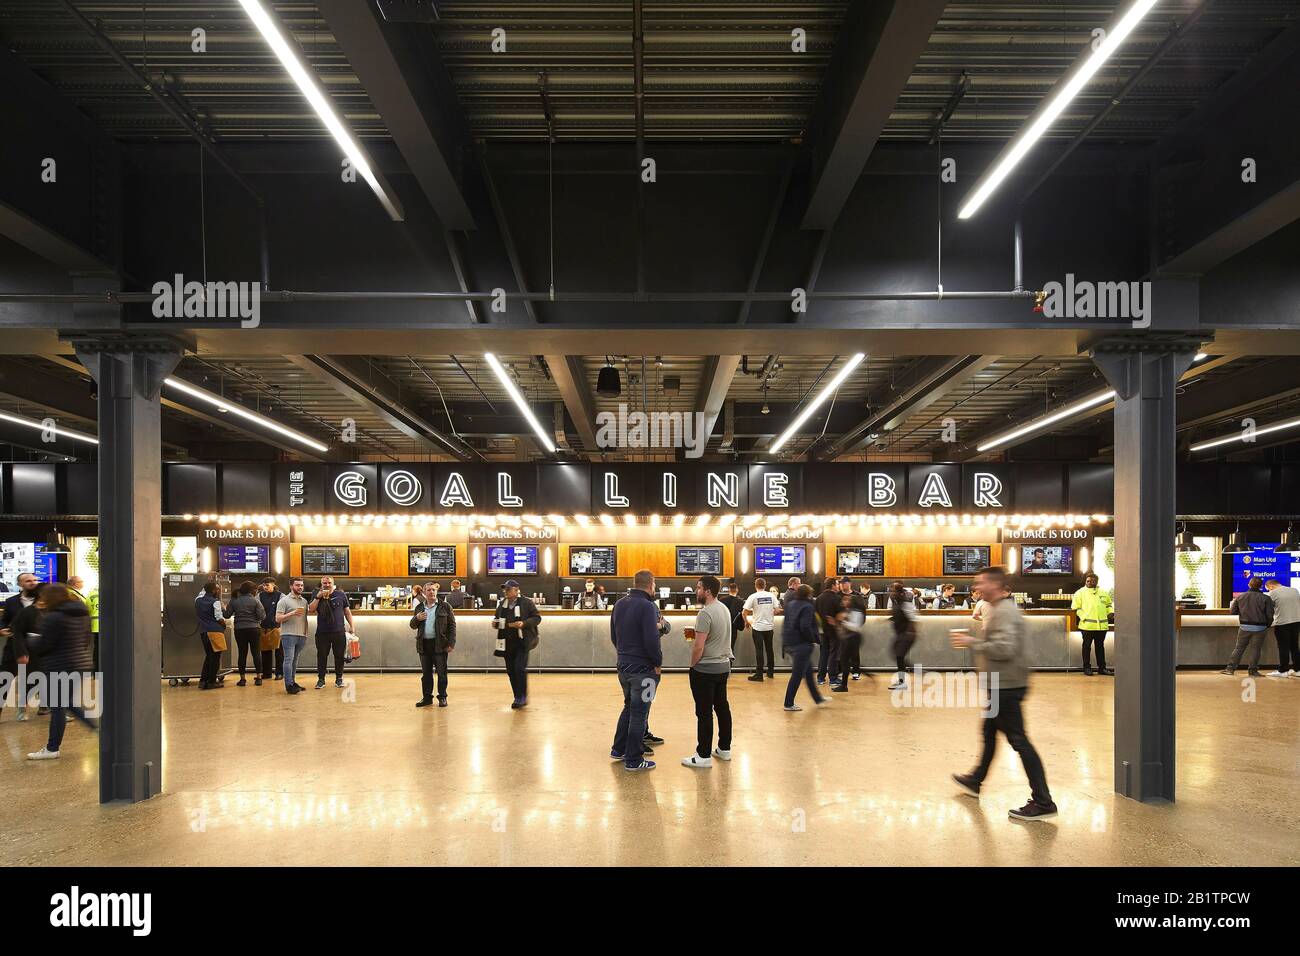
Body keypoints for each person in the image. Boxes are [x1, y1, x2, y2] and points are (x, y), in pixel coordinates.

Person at [951, 566, 1057, 821]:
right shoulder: (998, 609)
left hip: (1007, 686)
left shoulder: (1005, 612)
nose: (977, 587)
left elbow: (1004, 649)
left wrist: (972, 642)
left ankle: (1043, 801)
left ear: (996, 585)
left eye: (981, 583)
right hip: (1001, 684)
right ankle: (976, 779)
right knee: (989, 732)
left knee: (1019, 741)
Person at [25, 584, 97, 761]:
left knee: (57, 707)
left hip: (60, 666)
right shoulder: (82, 613)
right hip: (80, 664)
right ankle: (96, 728)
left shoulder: (53, 617)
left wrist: (32, 640)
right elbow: (86, 638)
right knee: (66, 703)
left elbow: (45, 645)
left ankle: (52, 748)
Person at [610, 568, 661, 771]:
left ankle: (619, 749)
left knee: (629, 706)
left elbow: (614, 635)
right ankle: (634, 759)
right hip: (644, 670)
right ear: (650, 584)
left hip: (623, 666)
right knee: (641, 712)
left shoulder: (619, 604)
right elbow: (651, 639)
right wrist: (657, 663)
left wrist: (624, 654)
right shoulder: (648, 606)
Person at [682, 575, 733, 768]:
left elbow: (698, 646)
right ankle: (724, 749)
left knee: (704, 712)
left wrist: (692, 665)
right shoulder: (724, 609)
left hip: (705, 669)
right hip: (723, 666)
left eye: (698, 588)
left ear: (708, 591)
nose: (697, 591)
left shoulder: (705, 613)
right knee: (722, 707)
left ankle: (703, 755)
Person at [781, 584, 829, 711]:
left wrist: (785, 643)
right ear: (808, 595)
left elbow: (786, 624)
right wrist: (815, 639)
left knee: (808, 673)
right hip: (802, 645)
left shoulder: (790, 605)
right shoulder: (807, 607)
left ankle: (818, 699)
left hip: (791, 643)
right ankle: (788, 703)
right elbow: (805, 626)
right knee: (797, 675)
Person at [493, 580, 540, 708]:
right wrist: (495, 623)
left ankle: (522, 696)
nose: (506, 592)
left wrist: (523, 624)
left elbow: (537, 618)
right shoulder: (502, 604)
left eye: (508, 589)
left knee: (519, 669)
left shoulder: (526, 602)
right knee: (511, 671)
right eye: (505, 589)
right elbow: (497, 618)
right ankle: (517, 696)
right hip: (506, 642)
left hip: (522, 642)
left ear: (516, 590)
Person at [1, 583, 45, 720]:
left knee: (42, 680)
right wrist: (21, 652)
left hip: (42, 652)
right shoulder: (27, 612)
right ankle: (20, 707)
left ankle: (53, 709)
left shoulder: (52, 611)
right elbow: (17, 632)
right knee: (9, 680)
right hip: (22, 651)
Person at [411, 581, 456, 707]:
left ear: (436, 591)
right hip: (423, 645)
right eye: (429, 590)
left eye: (433, 590)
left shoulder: (445, 606)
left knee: (442, 673)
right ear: (424, 593)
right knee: (426, 674)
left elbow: (452, 626)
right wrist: (417, 618)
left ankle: (442, 697)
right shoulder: (419, 608)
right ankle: (427, 698)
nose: (431, 592)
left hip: (440, 644)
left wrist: (451, 643)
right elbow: (412, 625)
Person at [1221, 577, 1274, 677]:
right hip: (1260, 628)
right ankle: (1253, 671)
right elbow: (1270, 615)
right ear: (1261, 586)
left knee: (1239, 648)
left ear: (1249, 585)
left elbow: (1233, 612)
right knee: (1256, 649)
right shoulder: (1266, 598)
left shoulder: (1240, 597)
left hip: (1244, 627)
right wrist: (1267, 625)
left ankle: (1230, 669)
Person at [308, 576, 353, 689]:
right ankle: (321, 680)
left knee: (339, 656)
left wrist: (352, 626)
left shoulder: (340, 594)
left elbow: (347, 612)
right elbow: (311, 609)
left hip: (339, 631)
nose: (327, 585)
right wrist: (318, 597)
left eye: (329, 583)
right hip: (322, 632)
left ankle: (339, 679)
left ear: (333, 584)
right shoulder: (316, 593)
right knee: (322, 656)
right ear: (321, 584)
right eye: (325, 583)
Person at [1072, 573, 1113, 676]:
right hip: (1087, 626)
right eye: (1088, 581)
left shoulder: (1103, 592)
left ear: (1097, 582)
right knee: (1086, 647)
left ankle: (1102, 668)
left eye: (1092, 581)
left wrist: (1110, 612)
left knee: (1100, 647)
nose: (1090, 583)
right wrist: (1084, 617)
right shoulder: (1079, 593)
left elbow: (1108, 605)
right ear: (1085, 581)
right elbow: (1076, 608)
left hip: (1101, 626)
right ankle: (1087, 668)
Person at [275, 577, 310, 694]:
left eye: (301, 585)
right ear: (291, 586)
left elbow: (305, 618)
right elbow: (278, 618)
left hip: (301, 635)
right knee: (288, 660)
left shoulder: (304, 601)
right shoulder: (284, 601)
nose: (300, 587)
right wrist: (292, 613)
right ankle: (288, 685)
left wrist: (306, 633)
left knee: (294, 660)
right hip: (288, 634)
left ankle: (293, 682)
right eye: (297, 585)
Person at [229, 581, 265, 686]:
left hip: (240, 629)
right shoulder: (256, 601)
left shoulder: (234, 600)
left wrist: (221, 607)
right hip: (254, 629)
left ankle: (242, 679)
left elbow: (227, 615)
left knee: (242, 653)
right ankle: (259, 678)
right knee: (256, 653)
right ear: (252, 590)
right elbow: (262, 616)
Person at [744, 577, 778, 681]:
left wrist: (747, 622)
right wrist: (769, 614)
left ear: (755, 586)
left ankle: (759, 674)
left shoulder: (753, 596)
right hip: (769, 627)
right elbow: (777, 610)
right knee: (769, 650)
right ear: (765, 585)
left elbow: (744, 612)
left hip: (757, 627)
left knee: (759, 650)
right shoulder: (771, 596)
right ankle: (770, 672)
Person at [1263, 578, 1300, 677]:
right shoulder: (1294, 590)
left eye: (1268, 589)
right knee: (1294, 646)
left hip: (1282, 623)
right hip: (1296, 622)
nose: (1268, 591)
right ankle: (1297, 670)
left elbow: (1267, 608)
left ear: (1271, 586)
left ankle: (1283, 671)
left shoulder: (1272, 593)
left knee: (1283, 647)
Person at [194, 580, 227, 691]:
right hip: (215, 631)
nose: (218, 591)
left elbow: (201, 592)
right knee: (215, 657)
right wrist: (224, 625)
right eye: (217, 589)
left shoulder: (197, 600)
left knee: (209, 656)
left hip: (204, 632)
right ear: (213, 591)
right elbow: (219, 618)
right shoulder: (215, 602)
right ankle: (212, 681)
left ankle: (203, 681)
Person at [888, 582, 917, 691]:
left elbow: (913, 619)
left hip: (906, 634)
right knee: (897, 656)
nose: (891, 593)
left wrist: (909, 633)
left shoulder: (906, 603)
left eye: (893, 591)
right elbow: (898, 616)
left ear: (898, 592)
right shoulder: (898, 602)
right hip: (901, 634)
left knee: (899, 656)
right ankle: (904, 679)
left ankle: (903, 681)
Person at [815, 578, 844, 687]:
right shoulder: (837, 598)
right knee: (833, 654)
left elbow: (815, 614)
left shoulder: (819, 598)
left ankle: (820, 678)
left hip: (822, 630)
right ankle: (833, 678)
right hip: (833, 630)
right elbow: (841, 614)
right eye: (837, 584)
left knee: (823, 653)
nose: (838, 586)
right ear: (832, 585)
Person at [258, 577, 284, 681]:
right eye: (264, 585)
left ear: (273, 584)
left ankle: (279, 673)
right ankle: (267, 673)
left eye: (267, 585)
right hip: (263, 626)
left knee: (279, 652)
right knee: (265, 651)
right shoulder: (259, 595)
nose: (265, 587)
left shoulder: (280, 596)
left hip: (276, 627)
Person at [718, 580, 745, 656]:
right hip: (734, 626)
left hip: (723, 626)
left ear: (729, 590)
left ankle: (722, 661)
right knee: (731, 646)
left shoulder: (722, 600)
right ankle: (730, 662)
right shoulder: (741, 601)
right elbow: (744, 613)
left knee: (722, 646)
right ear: (737, 590)